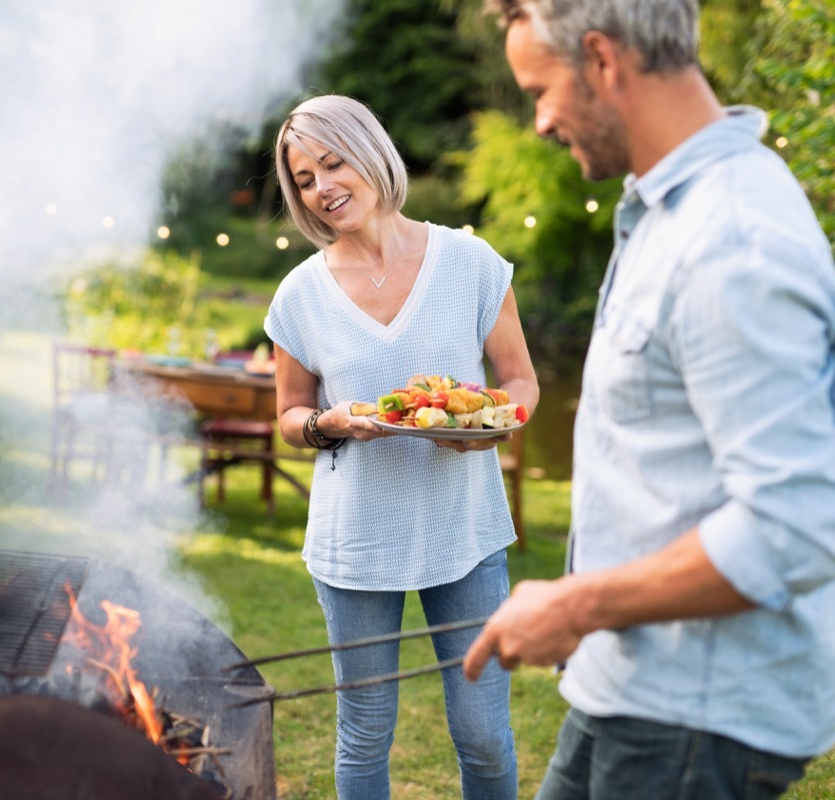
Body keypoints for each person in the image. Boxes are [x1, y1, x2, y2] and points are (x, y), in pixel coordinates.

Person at [463, 2, 835, 799]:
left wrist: (577, 602)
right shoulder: (666, 212)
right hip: (631, 680)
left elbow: (793, 531)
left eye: (540, 90)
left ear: (604, 60)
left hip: (698, 715)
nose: (538, 121)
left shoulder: (731, 240)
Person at [264, 93, 539, 799]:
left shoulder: (471, 263)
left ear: (371, 154)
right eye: (303, 178)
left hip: (464, 530)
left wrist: (489, 429)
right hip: (355, 543)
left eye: (332, 162)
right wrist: (331, 423)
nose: (322, 186)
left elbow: (519, 382)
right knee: (365, 732)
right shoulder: (299, 295)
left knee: (483, 732)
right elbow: (290, 415)